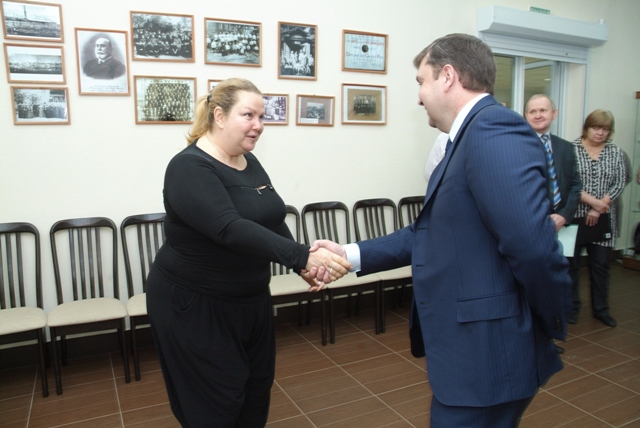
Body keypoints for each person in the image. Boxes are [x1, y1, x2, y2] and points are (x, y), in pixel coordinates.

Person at [311, 34, 570, 427]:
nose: (419, 97)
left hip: (489, 355)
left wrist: (552, 317)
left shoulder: (493, 129)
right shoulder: (464, 139)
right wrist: (349, 254)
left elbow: (532, 247)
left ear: (447, 77)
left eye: (421, 81)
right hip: (473, 356)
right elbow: (430, 230)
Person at [145, 78, 351, 428]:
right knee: (216, 402)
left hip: (249, 298)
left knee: (255, 389)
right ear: (219, 116)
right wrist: (301, 256)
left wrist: (301, 266)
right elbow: (228, 227)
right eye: (248, 115)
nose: (258, 125)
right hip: (195, 304)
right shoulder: (188, 167)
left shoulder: (247, 160)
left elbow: (270, 216)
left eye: (262, 116)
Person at [524, 94, 582, 354]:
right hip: (532, 225)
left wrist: (564, 215)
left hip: (562, 226)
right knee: (534, 283)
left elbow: (576, 185)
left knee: (557, 283)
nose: (538, 115)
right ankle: (533, 338)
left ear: (553, 114)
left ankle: (549, 336)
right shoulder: (519, 144)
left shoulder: (566, 147)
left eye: (543, 110)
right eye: (532, 111)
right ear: (526, 116)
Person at [568, 109, 627, 327]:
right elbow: (568, 182)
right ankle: (571, 308)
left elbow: (620, 181)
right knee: (571, 267)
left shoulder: (616, 152)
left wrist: (600, 207)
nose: (600, 133)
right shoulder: (571, 149)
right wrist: (593, 203)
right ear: (587, 128)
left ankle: (601, 310)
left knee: (601, 266)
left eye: (605, 129)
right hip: (574, 218)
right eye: (596, 128)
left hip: (604, 219)